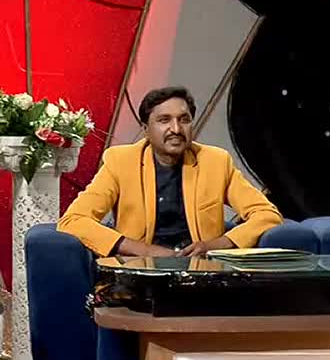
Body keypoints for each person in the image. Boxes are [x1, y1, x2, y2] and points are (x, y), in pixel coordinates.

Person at [58, 86, 283, 257]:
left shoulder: (216, 161)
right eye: (164, 120)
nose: (176, 129)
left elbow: (267, 215)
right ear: (146, 129)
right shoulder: (120, 161)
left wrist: (216, 245)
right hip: (141, 272)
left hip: (201, 271)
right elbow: (74, 220)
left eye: (184, 120)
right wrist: (144, 250)